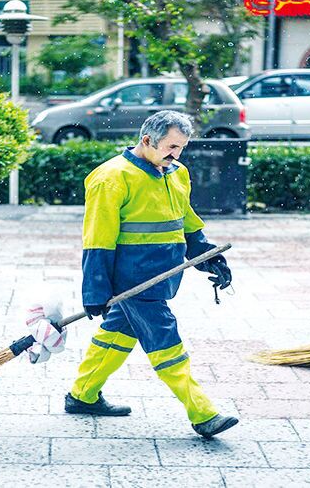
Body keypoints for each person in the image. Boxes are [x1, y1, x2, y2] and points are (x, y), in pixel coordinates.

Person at [64, 110, 238, 438]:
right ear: (147, 140)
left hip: (163, 275)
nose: (176, 155)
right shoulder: (111, 177)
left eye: (182, 148)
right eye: (171, 147)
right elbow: (97, 239)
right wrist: (95, 290)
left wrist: (208, 257)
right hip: (133, 280)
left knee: (118, 332)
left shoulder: (177, 173)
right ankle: (202, 412)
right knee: (165, 339)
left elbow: (184, 222)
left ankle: (82, 395)